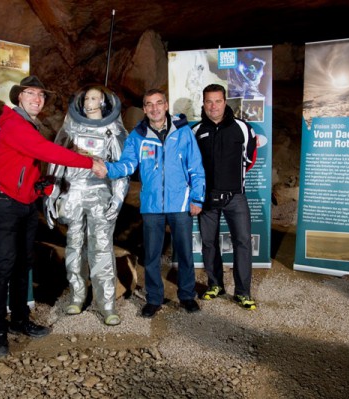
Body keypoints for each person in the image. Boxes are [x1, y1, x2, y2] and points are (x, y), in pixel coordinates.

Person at [0, 75, 104, 357]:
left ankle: (20, 321)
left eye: (40, 95)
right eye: (30, 94)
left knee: (23, 264)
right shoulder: (14, 124)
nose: (37, 99)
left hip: (24, 204)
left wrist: (45, 186)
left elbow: (28, 164)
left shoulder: (30, 125)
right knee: (3, 267)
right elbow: (43, 151)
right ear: (19, 98)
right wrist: (89, 163)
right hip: (5, 204)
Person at [94, 89, 205, 318]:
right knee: (152, 256)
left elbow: (196, 167)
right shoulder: (137, 135)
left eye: (158, 103)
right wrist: (107, 169)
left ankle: (186, 296)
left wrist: (197, 197)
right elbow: (127, 165)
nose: (154, 108)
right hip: (152, 205)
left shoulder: (183, 132)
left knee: (184, 253)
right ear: (144, 109)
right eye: (149, 104)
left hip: (181, 203)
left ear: (166, 105)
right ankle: (154, 299)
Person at [45, 85, 128, 326]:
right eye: (88, 98)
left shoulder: (113, 131)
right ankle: (77, 296)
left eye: (95, 98)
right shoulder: (71, 128)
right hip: (73, 193)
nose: (90, 102)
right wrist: (52, 195)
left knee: (101, 247)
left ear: (104, 102)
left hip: (100, 193)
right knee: (74, 246)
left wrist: (119, 197)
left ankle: (107, 304)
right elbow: (57, 163)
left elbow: (120, 167)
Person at [192, 84, 258, 310]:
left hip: (235, 197)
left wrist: (231, 181)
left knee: (242, 242)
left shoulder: (242, 128)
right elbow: (192, 164)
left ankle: (243, 292)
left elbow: (250, 159)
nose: (213, 106)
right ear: (203, 103)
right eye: (209, 101)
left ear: (225, 102)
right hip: (207, 198)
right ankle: (215, 285)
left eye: (218, 101)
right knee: (209, 243)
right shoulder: (196, 130)